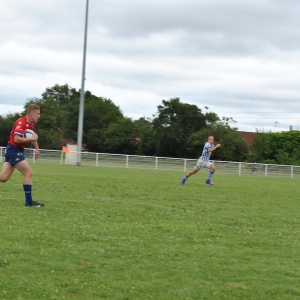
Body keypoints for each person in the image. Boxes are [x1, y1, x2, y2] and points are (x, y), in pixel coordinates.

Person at [0, 104, 44, 207]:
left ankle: (29, 202)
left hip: (14, 150)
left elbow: (33, 137)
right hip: (13, 150)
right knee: (28, 173)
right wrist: (32, 140)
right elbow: (17, 139)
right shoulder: (21, 122)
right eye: (38, 114)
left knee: (3, 178)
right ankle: (29, 202)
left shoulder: (32, 124)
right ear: (31, 113)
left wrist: (37, 148)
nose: (39, 116)